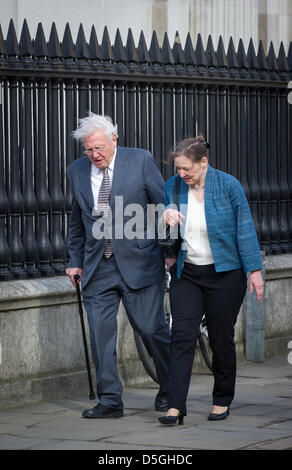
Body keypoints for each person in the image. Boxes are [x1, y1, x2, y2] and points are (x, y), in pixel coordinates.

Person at [66, 113, 169, 419]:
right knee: (100, 335)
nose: (94, 155)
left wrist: (170, 249)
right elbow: (77, 218)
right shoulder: (77, 170)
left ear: (114, 139)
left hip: (140, 260)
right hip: (98, 266)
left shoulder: (139, 160)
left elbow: (163, 206)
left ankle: (170, 386)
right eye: (88, 150)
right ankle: (110, 399)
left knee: (152, 330)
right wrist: (75, 260)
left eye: (99, 148)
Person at [158, 136, 264, 426]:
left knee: (221, 339)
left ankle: (221, 400)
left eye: (186, 168)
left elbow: (244, 228)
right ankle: (175, 406)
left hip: (225, 275)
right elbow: (163, 225)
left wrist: (254, 271)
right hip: (187, 273)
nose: (181, 174)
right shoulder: (173, 186)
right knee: (181, 336)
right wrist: (165, 217)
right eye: (178, 168)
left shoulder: (228, 185)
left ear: (203, 162)